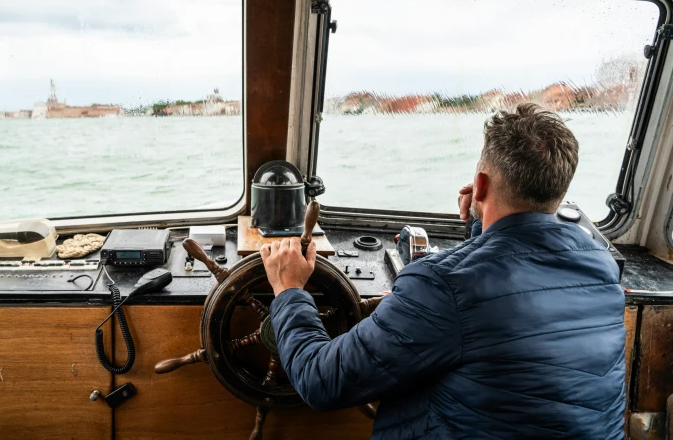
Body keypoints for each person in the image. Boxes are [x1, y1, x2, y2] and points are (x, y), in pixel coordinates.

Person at [260, 104, 626, 439]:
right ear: (557, 192)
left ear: (479, 185)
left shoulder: (442, 286)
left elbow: (321, 382)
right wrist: (483, 222)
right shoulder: (600, 266)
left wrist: (289, 290)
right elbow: (511, 275)